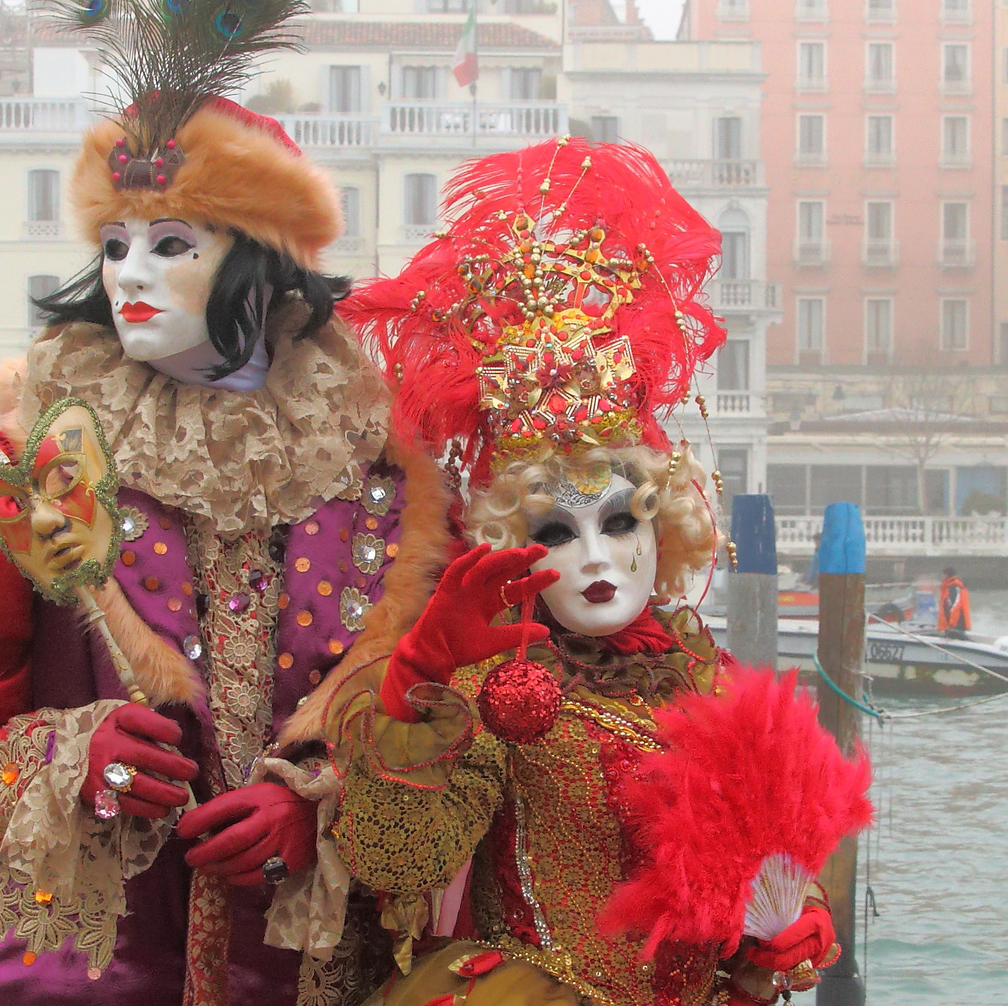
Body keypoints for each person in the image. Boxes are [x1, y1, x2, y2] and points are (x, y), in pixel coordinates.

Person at [0, 0, 452, 1004]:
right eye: (116, 243)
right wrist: (71, 763)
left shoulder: (396, 494)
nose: (131, 274)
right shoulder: (5, 480)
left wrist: (322, 806)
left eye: (174, 244)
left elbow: (453, 731)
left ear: (264, 263)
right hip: (73, 974)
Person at [327, 138, 853, 1006]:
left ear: (664, 527)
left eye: (617, 521)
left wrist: (793, 930)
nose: (598, 558)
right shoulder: (496, 690)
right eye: (557, 533)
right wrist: (416, 685)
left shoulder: (703, 677)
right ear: (511, 547)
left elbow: (760, 884)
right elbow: (393, 861)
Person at [939, 565, 971, 638]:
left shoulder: (953, 587)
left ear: (946, 575)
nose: (942, 577)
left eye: (943, 575)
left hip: (956, 625)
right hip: (954, 625)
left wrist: (952, 624)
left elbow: (955, 606)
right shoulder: (953, 586)